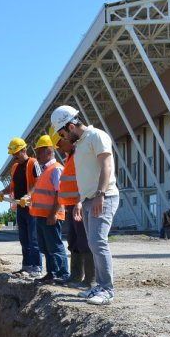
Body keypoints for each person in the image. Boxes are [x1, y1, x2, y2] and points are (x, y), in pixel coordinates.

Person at [51, 105, 120, 305]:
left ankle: (107, 289)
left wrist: (100, 194)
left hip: (104, 196)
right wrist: (81, 201)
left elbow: (107, 165)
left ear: (71, 126)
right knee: (91, 243)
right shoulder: (80, 145)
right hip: (88, 199)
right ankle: (99, 286)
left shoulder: (96, 136)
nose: (63, 138)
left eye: (62, 133)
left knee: (98, 241)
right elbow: (85, 177)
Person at [49, 125, 96, 289]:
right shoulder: (71, 157)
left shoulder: (79, 155)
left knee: (85, 241)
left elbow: (84, 180)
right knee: (74, 241)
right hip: (71, 206)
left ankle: (90, 279)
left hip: (80, 204)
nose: (60, 149)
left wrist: (80, 202)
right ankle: (76, 275)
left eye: (60, 144)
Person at [0, 137, 43, 278]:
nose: (14, 156)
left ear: (24, 150)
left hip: (31, 206)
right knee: (24, 238)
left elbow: (39, 182)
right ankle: (27, 266)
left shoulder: (33, 163)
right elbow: (12, 186)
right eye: (13, 153)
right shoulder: (15, 167)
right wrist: (2, 192)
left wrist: (28, 196)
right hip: (20, 207)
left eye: (16, 153)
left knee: (33, 239)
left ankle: (37, 267)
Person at [29, 135, 69, 284]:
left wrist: (52, 214)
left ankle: (62, 274)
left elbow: (61, 193)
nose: (36, 155)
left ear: (48, 151)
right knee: (45, 247)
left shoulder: (56, 169)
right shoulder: (46, 170)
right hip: (42, 216)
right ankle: (51, 273)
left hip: (51, 215)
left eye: (39, 152)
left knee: (55, 246)